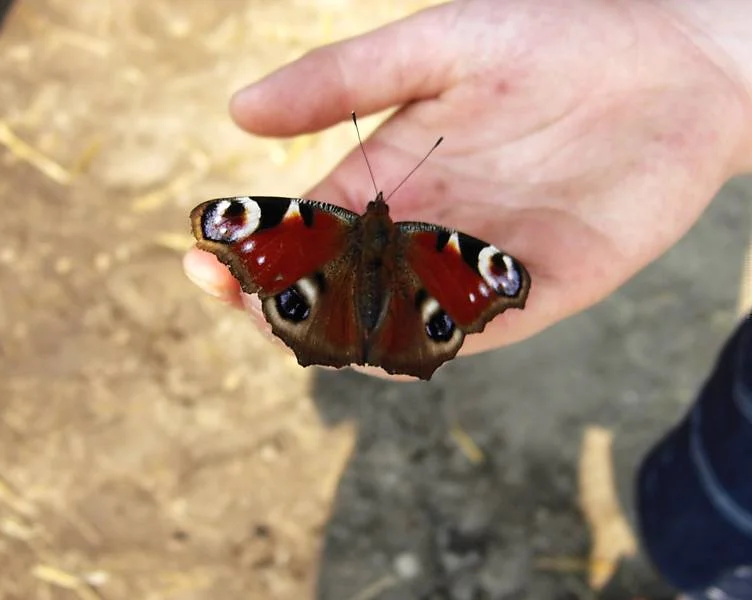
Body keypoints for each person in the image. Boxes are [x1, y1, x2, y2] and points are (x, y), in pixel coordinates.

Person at [182, 1, 752, 597]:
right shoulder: (430, 247)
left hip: (329, 291)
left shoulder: (319, 228)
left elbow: (496, 273)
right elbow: (491, 270)